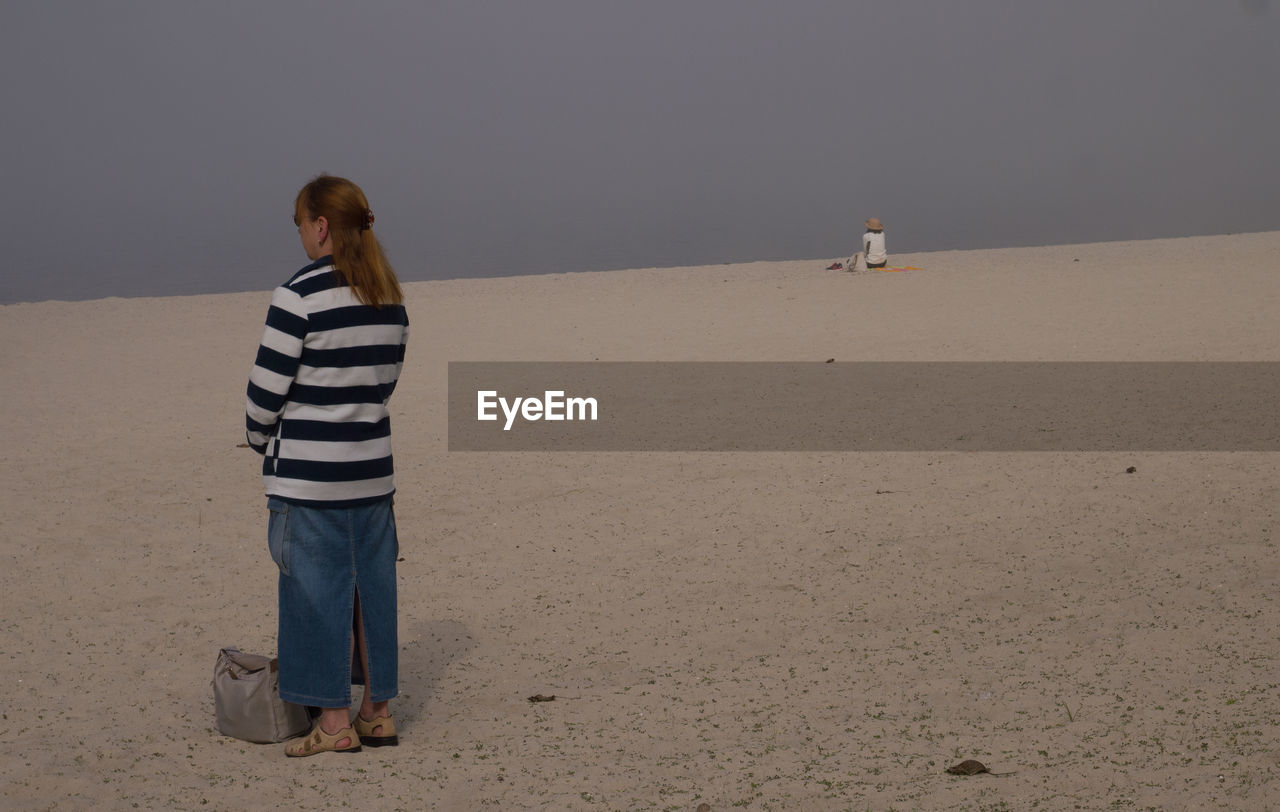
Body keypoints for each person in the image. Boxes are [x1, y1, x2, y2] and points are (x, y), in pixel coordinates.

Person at [245, 175, 410, 757]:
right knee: (373, 590)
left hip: (309, 478)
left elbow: (265, 393)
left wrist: (256, 436)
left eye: (299, 223)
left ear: (320, 226)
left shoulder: (298, 295)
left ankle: (334, 721)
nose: (300, 235)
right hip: (371, 470)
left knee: (313, 592)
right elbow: (385, 382)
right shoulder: (388, 294)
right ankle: (379, 711)